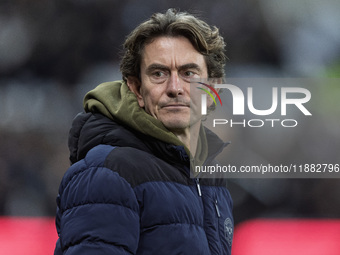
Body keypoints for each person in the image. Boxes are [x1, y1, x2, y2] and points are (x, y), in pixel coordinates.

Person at [54, 8, 233, 255]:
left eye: (188, 73)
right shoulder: (108, 173)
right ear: (137, 89)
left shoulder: (212, 179)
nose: (175, 88)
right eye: (158, 74)